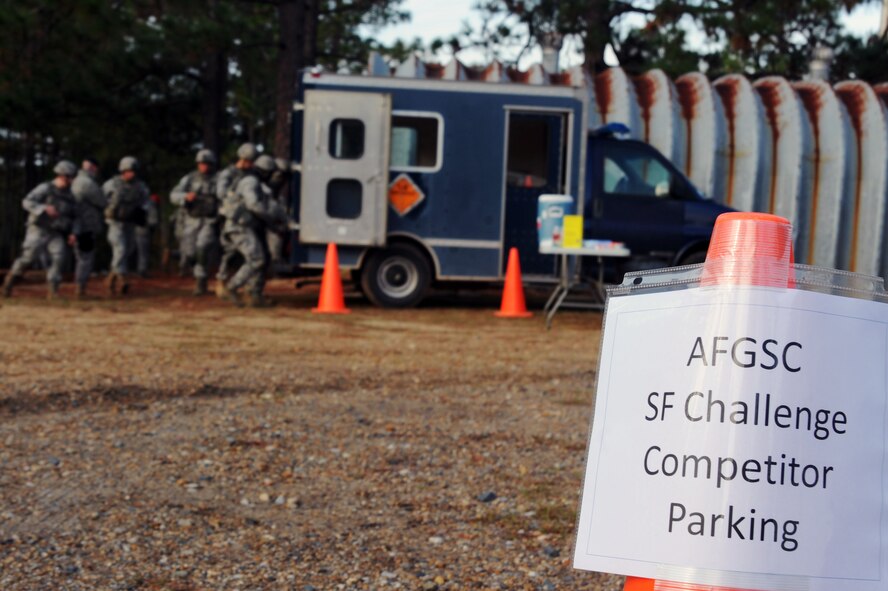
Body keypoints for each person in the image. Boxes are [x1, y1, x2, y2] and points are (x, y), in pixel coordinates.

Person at [3, 160, 80, 299]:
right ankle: (9, 283)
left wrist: (73, 233)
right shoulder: (45, 188)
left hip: (56, 231)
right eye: (70, 176)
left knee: (59, 256)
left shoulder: (70, 196)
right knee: (28, 257)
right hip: (38, 229)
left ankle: (53, 291)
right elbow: (26, 202)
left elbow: (75, 217)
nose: (72, 180)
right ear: (62, 175)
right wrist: (43, 208)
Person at [218, 154, 283, 307]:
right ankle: (231, 287)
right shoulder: (250, 182)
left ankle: (253, 295)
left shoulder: (257, 183)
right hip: (238, 227)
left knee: (261, 258)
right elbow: (253, 205)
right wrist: (270, 218)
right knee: (256, 259)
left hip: (245, 226)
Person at [170, 149, 219, 295]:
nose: (204, 167)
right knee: (189, 252)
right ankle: (194, 269)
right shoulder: (190, 179)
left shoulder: (219, 179)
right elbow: (173, 195)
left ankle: (201, 280)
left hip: (209, 220)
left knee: (202, 247)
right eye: (201, 164)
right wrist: (185, 196)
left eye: (207, 163)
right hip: (191, 219)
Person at [215, 142, 258, 297]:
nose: (249, 164)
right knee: (229, 253)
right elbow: (221, 193)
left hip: (246, 219)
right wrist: (237, 198)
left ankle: (247, 288)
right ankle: (222, 283)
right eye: (247, 160)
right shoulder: (228, 173)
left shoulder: (252, 174)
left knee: (247, 255)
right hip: (229, 218)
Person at [103, 156, 150, 295]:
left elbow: (146, 202)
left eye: (134, 171)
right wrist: (107, 210)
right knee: (120, 248)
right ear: (122, 171)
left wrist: (143, 213)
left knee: (128, 249)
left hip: (129, 222)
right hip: (115, 222)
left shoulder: (140, 186)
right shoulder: (112, 184)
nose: (132, 173)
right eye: (129, 171)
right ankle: (122, 278)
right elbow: (101, 199)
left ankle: (112, 276)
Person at [70, 157, 106, 298]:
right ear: (94, 168)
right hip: (85, 225)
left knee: (80, 256)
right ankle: (80, 289)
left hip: (75, 224)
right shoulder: (88, 183)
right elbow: (102, 202)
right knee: (85, 257)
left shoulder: (75, 181)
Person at [265, 157, 292, 275]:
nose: (280, 179)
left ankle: (276, 261)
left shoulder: (278, 196)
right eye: (279, 175)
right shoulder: (264, 185)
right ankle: (274, 263)